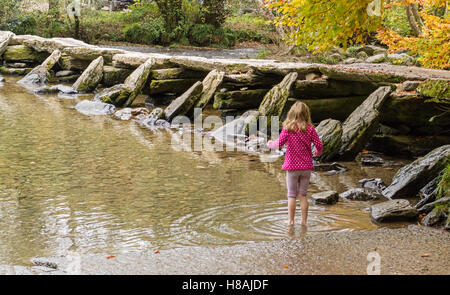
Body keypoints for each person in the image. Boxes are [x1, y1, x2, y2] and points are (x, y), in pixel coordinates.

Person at [267, 101, 323, 226]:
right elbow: (319, 145)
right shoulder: (310, 129)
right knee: (303, 195)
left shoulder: (288, 129)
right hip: (306, 168)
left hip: (292, 168)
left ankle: (291, 221)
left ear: (291, 114)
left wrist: (270, 144)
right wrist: (317, 152)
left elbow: (279, 144)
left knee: (291, 195)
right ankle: (304, 222)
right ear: (306, 114)